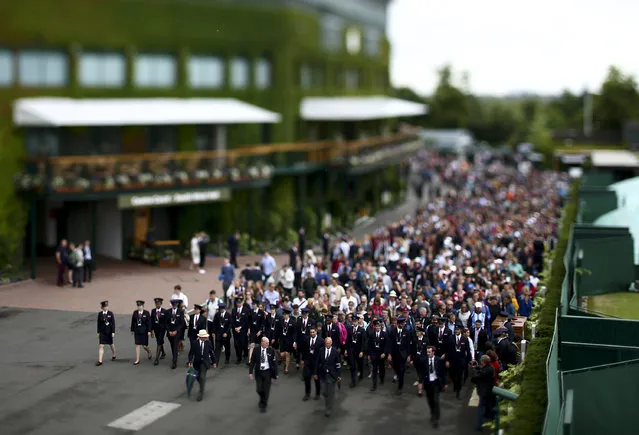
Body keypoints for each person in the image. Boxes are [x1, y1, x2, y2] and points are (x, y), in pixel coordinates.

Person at [249, 337, 278, 413]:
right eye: (266, 343)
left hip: (267, 372)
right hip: (258, 372)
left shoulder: (271, 350)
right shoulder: (256, 350)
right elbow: (252, 362)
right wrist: (250, 372)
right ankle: (262, 398)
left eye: (268, 343)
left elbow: (274, 363)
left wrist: (276, 373)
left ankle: (264, 404)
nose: (268, 344)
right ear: (262, 342)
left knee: (266, 389)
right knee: (259, 389)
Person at [314, 337, 342, 417]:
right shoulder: (321, 350)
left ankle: (328, 408)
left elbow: (338, 364)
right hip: (322, 374)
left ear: (331, 343)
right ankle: (328, 399)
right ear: (325, 343)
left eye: (329, 343)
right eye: (327, 343)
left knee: (330, 393)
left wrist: (339, 375)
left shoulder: (335, 352)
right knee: (324, 392)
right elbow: (317, 362)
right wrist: (315, 373)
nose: (328, 344)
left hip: (331, 375)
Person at [188, 329, 217, 401]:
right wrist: (190, 361)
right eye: (204, 337)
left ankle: (201, 393)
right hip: (197, 362)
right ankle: (202, 383)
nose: (205, 338)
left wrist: (214, 362)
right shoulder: (195, 343)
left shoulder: (208, 343)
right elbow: (191, 353)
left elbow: (212, 353)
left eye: (206, 337)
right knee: (197, 377)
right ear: (200, 337)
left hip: (205, 363)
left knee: (202, 376)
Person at [472, 354, 496, 431]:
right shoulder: (491, 368)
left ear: (483, 362)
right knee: (489, 406)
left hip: (484, 391)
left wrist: (474, 370)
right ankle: (491, 418)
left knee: (481, 409)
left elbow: (477, 377)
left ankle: (479, 426)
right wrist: (477, 367)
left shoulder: (485, 371)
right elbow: (483, 370)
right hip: (489, 390)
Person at [388, 316, 412, 395]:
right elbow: (390, 344)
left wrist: (408, 355)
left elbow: (408, 344)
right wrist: (390, 354)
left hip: (403, 354)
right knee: (396, 368)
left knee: (401, 370)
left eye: (404, 323)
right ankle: (398, 375)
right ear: (398, 324)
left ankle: (400, 387)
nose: (403, 325)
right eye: (402, 323)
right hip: (395, 354)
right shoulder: (393, 331)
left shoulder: (407, 332)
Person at [424, 345, 446, 429]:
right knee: (430, 400)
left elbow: (442, 373)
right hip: (428, 383)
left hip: (436, 383)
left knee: (436, 400)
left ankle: (436, 418)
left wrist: (444, 384)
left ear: (433, 352)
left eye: (429, 352)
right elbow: (422, 372)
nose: (428, 353)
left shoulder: (439, 360)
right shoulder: (424, 360)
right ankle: (432, 413)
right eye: (427, 352)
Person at [365, 319, 390, 392]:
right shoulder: (372, 334)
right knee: (374, 369)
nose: (377, 327)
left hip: (381, 354)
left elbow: (387, 345)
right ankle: (374, 384)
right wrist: (369, 354)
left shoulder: (384, 334)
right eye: (376, 326)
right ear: (374, 327)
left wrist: (385, 353)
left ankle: (382, 379)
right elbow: (369, 345)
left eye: (379, 326)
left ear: (381, 327)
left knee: (382, 367)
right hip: (374, 353)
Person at [449, 324, 472, 399]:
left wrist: (469, 361)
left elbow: (468, 351)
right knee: (452, 375)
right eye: (455, 330)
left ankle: (458, 392)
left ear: (460, 331)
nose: (456, 331)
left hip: (461, 361)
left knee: (459, 376)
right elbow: (447, 350)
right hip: (452, 360)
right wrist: (447, 360)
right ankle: (455, 384)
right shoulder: (451, 338)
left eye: (458, 330)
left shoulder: (464, 339)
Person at [301, 327, 323, 401]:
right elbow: (304, 350)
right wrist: (302, 359)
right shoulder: (306, 339)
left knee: (316, 378)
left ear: (316, 332)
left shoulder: (321, 341)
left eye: (313, 332)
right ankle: (307, 394)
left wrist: (321, 363)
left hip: (316, 362)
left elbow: (322, 353)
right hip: (308, 361)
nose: (312, 334)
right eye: (311, 332)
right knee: (307, 377)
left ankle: (317, 394)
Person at [345, 314, 365, 388]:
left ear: (358, 322)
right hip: (351, 350)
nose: (354, 323)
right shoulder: (349, 329)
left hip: (359, 350)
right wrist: (346, 350)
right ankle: (353, 381)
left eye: (356, 321)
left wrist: (362, 351)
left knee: (360, 364)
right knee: (352, 366)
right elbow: (347, 341)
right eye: (353, 321)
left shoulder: (362, 330)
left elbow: (363, 342)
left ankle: (361, 373)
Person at [165, 298, 186, 369]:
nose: (174, 306)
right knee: (172, 345)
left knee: (175, 345)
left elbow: (181, 323)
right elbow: (166, 323)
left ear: (177, 305)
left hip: (177, 332)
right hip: (170, 332)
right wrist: (169, 331)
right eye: (173, 305)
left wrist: (176, 331)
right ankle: (174, 355)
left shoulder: (180, 312)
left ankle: (174, 361)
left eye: (175, 305)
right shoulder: (168, 312)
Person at [130, 300, 152, 365]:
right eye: (138, 306)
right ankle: (137, 359)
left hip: (144, 331)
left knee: (144, 346)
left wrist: (149, 331)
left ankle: (149, 351)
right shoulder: (135, 313)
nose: (139, 307)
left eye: (140, 306)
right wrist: (132, 330)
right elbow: (133, 321)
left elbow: (149, 323)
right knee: (137, 345)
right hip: (137, 330)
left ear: (143, 306)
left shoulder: (146, 313)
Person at [96, 300, 116, 366]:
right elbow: (98, 323)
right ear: (102, 307)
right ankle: (100, 360)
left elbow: (113, 323)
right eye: (104, 306)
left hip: (109, 331)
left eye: (107, 306)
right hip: (102, 331)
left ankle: (114, 354)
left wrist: (113, 332)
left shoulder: (110, 313)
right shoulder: (100, 314)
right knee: (101, 345)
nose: (106, 307)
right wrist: (98, 332)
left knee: (111, 344)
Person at [411, 326, 429, 397]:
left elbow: (428, 349)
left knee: (421, 373)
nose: (417, 333)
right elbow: (412, 349)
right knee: (419, 372)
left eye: (418, 332)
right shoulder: (414, 339)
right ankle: (421, 381)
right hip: (416, 359)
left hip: (423, 359)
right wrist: (412, 358)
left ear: (421, 332)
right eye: (416, 332)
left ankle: (420, 390)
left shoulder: (426, 340)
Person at [232, 297, 250, 364]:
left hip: (243, 330)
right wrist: (235, 328)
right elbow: (232, 320)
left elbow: (246, 320)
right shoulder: (234, 310)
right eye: (237, 303)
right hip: (236, 330)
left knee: (243, 343)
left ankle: (245, 353)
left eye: (240, 303)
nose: (238, 304)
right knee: (236, 344)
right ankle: (238, 358)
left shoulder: (246, 310)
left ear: (242, 303)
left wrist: (241, 327)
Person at [150, 297, 167, 365]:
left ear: (161, 304)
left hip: (162, 329)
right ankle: (163, 353)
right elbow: (151, 321)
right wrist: (151, 330)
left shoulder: (164, 311)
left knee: (159, 342)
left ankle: (156, 358)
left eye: (159, 303)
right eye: (156, 303)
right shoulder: (153, 311)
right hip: (156, 329)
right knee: (159, 341)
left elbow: (166, 321)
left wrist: (166, 329)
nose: (157, 305)